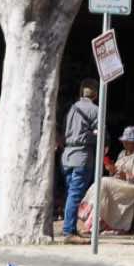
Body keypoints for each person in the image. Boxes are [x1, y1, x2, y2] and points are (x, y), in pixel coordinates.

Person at [59, 80, 102, 240]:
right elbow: (100, 134)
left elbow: (64, 131)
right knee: (75, 194)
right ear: (96, 94)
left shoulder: (71, 109)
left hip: (67, 156)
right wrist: (92, 136)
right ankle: (68, 231)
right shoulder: (95, 110)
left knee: (71, 193)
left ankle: (71, 227)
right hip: (81, 157)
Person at [95, 125, 134, 233]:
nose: (125, 143)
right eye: (124, 141)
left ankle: (107, 223)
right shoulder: (122, 153)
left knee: (104, 182)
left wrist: (122, 174)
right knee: (102, 185)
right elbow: (116, 171)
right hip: (120, 183)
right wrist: (111, 169)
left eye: (128, 141)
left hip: (133, 186)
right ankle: (97, 220)